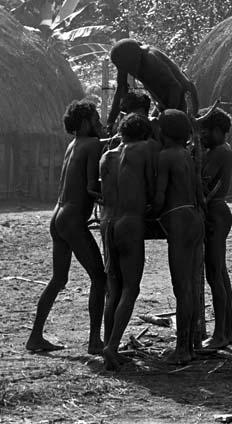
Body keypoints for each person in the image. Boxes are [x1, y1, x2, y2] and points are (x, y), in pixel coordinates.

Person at [26, 100, 106, 354]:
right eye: (94, 118)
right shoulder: (92, 145)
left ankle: (35, 336)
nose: (98, 123)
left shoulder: (73, 144)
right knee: (100, 278)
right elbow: (93, 187)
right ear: (84, 123)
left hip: (58, 216)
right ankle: (94, 341)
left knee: (58, 279)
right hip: (72, 221)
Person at [99, 113, 155, 371]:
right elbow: (153, 189)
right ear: (144, 133)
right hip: (130, 223)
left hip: (107, 223)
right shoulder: (144, 150)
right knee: (131, 288)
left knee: (114, 287)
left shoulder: (106, 156)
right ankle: (111, 347)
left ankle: (110, 346)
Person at [153, 109, 204, 365]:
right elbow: (199, 191)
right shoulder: (187, 154)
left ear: (164, 132)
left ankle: (182, 348)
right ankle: (190, 345)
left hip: (178, 220)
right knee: (191, 285)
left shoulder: (165, 156)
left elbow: (161, 195)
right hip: (194, 217)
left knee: (180, 285)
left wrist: (151, 208)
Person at [199, 108, 232, 350]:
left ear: (216, 131)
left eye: (204, 131)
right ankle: (228, 331)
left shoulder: (218, 152)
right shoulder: (222, 149)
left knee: (214, 274)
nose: (201, 135)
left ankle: (220, 335)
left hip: (215, 212)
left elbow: (203, 182)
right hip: (219, 211)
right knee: (220, 273)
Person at [106, 39, 199, 135]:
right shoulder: (126, 60)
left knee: (173, 134)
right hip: (164, 102)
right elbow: (121, 90)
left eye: (123, 67)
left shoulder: (151, 60)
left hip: (184, 97)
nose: (122, 71)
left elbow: (175, 87)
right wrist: (110, 123)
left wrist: (168, 115)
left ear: (133, 59)